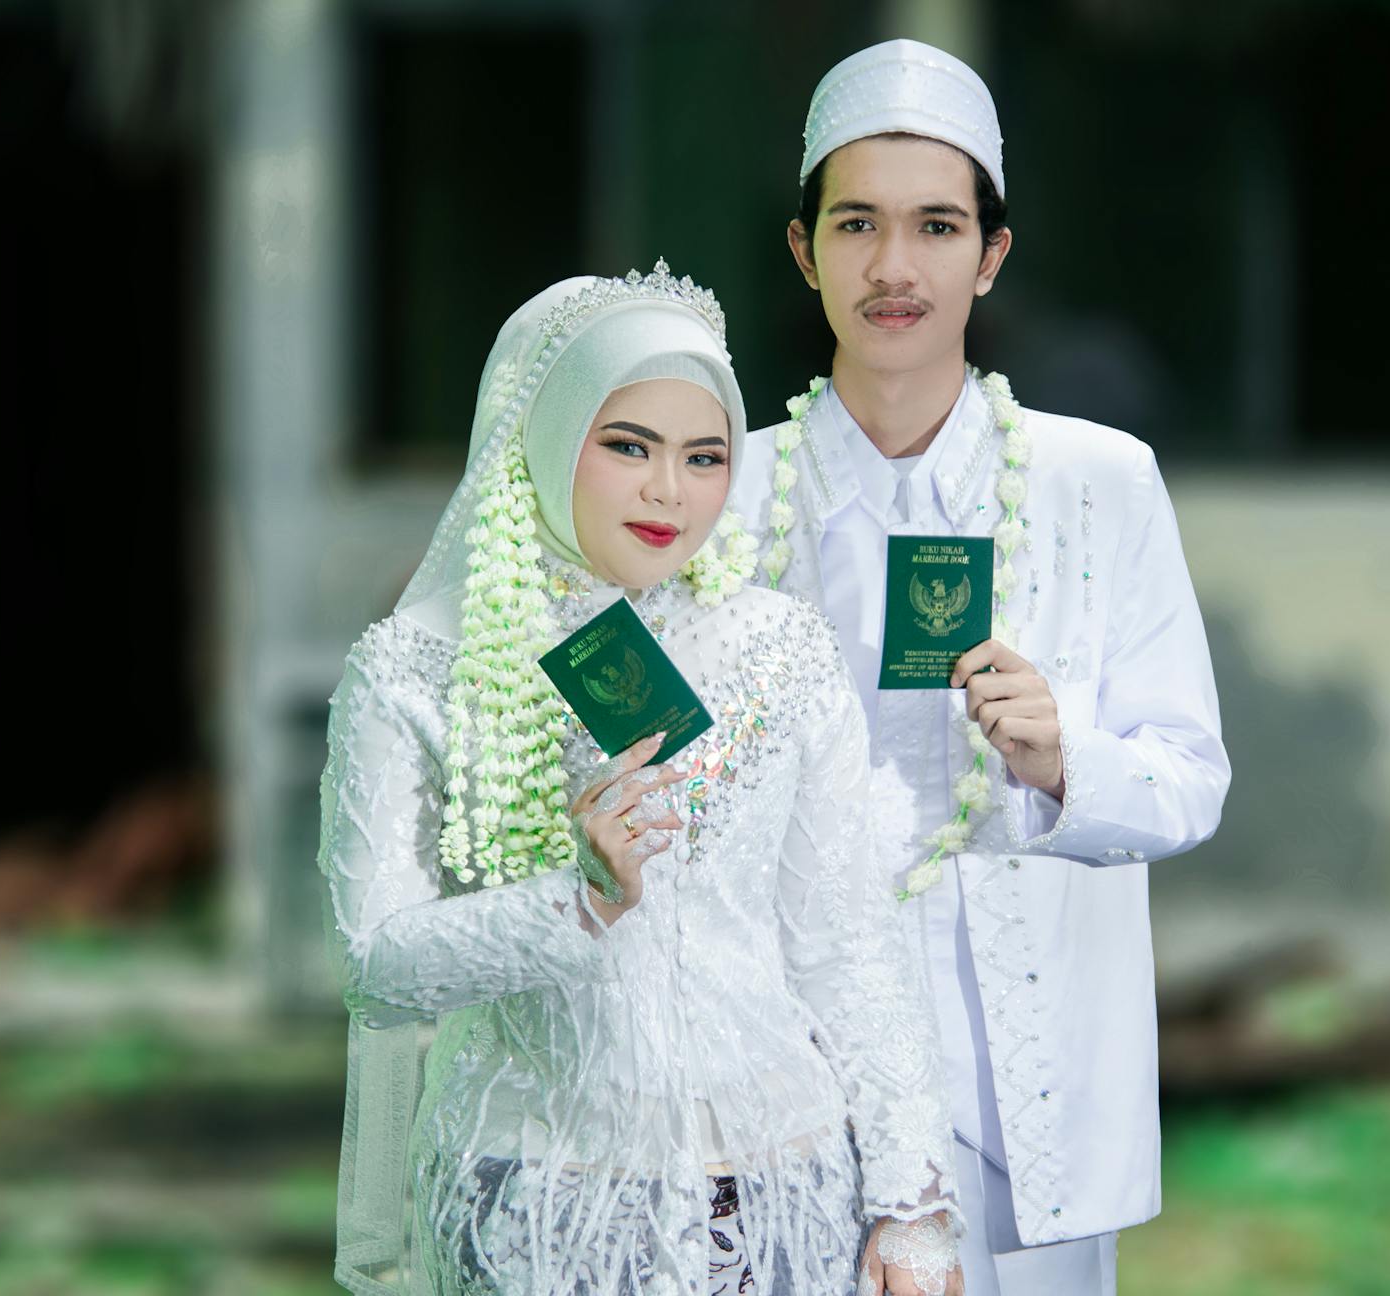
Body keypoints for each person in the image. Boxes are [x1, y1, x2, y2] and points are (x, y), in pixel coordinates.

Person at [317, 262, 966, 1296]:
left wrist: (912, 1204)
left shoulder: (775, 647)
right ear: (542, 435)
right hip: (535, 1201)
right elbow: (375, 964)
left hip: (781, 1191)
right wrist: (576, 901)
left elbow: (845, 941)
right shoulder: (419, 667)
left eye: (703, 456)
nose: (669, 491)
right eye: (627, 446)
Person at [729, 41, 1232, 1296]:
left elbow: (1189, 780)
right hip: (787, 1094)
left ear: (989, 254)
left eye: (936, 226)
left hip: (1029, 1097)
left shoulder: (1095, 483)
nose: (893, 268)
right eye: (855, 224)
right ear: (804, 250)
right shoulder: (720, 494)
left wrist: (1064, 756)